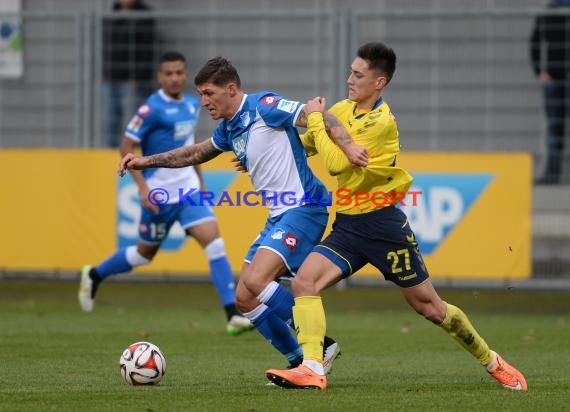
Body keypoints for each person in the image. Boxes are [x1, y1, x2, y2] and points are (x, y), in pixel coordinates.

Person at [265, 42, 528, 391]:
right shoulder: (343, 110)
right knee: (304, 282)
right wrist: (267, 151)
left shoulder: (381, 123)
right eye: (350, 71)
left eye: (358, 75)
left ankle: (492, 361)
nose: (349, 80)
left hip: (383, 226)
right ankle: (312, 366)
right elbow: (311, 145)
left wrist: (314, 117)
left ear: (379, 82)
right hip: (348, 226)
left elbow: (335, 162)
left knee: (431, 309)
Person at [117, 56, 368, 372]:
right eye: (201, 94)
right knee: (244, 297)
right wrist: (144, 161)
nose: (203, 101)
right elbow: (194, 153)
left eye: (209, 93)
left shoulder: (264, 105)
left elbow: (321, 116)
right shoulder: (228, 129)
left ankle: (320, 346)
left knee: (256, 279)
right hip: (278, 214)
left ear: (231, 89)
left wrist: (347, 147)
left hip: (304, 207)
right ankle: (296, 362)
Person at [79, 51, 254, 336]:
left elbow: (190, 149)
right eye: (168, 73)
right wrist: (144, 188)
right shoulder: (151, 109)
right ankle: (95, 274)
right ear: (160, 77)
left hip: (188, 191)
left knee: (215, 244)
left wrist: (201, 185)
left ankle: (233, 315)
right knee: (143, 254)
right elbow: (126, 147)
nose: (174, 78)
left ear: (185, 75)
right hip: (158, 194)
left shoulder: (190, 104)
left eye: (179, 73)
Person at [102, 0, 156, 148]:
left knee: (136, 121)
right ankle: (110, 153)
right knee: (111, 120)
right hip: (112, 76)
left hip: (134, 80)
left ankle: (138, 153)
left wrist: (139, 76)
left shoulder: (145, 15)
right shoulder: (111, 13)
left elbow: (147, 49)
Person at [530, 0, 570, 184]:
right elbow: (535, 41)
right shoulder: (550, 12)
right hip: (555, 78)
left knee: (555, 130)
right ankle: (552, 174)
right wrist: (540, 71)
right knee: (554, 130)